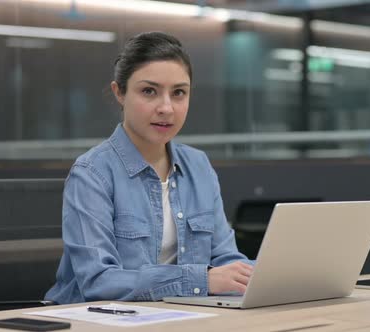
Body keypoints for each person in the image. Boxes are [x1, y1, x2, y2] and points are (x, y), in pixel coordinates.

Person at [45, 31, 253, 304]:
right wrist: (200, 281)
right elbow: (98, 281)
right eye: (149, 91)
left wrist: (268, 275)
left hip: (180, 315)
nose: (166, 108)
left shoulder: (198, 166)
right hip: (96, 320)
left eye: (179, 93)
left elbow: (226, 260)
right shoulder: (91, 173)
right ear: (119, 93)